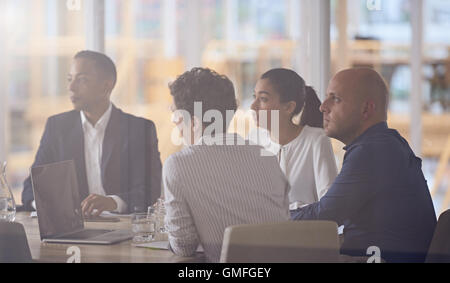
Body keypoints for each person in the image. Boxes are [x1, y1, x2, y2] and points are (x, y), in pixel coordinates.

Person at [291, 68, 437, 263]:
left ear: (366, 110)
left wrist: (272, 216)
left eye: (335, 99)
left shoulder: (373, 150)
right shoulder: (387, 143)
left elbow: (325, 215)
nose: (323, 107)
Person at [164, 68, 290, 263]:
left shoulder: (179, 164)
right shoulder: (266, 156)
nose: (178, 129)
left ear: (194, 122)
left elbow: (183, 246)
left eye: (177, 118)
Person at [21, 50, 162, 216]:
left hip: (123, 228)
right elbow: (31, 187)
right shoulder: (57, 128)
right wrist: (47, 205)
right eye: (69, 79)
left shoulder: (139, 129)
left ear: (106, 85)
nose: (71, 87)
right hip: (71, 229)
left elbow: (149, 191)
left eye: (82, 80)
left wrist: (112, 202)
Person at [250, 68, 338, 210]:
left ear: (289, 107)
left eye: (263, 99)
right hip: (262, 231)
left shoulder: (316, 140)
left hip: (304, 232)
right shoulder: (255, 140)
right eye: (254, 97)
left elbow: (330, 206)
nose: (253, 106)